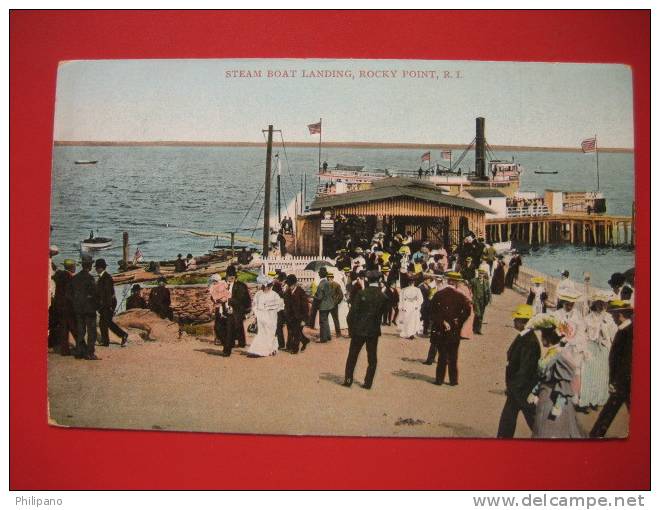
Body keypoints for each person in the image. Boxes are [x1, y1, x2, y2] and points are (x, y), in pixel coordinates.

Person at [527, 315, 583, 438]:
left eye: (542, 336)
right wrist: (535, 391)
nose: (541, 339)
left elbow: (563, 382)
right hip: (545, 395)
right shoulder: (552, 352)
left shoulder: (559, 355)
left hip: (554, 398)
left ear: (547, 338)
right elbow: (543, 377)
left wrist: (558, 404)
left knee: (552, 429)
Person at [590, 300, 633, 437]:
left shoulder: (624, 332)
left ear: (620, 315)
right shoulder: (630, 329)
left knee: (610, 410)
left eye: (614, 315)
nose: (613, 318)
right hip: (626, 380)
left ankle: (596, 435)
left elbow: (623, 361)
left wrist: (615, 381)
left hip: (622, 380)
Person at [496, 304, 540, 438]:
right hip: (518, 389)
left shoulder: (529, 342)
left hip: (521, 390)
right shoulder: (524, 336)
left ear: (524, 322)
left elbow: (525, 370)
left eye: (516, 319)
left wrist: (512, 388)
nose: (514, 321)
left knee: (533, 421)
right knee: (509, 420)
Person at [343, 271, 388, 389]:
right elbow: (384, 312)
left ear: (367, 280)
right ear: (379, 281)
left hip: (359, 329)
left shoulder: (361, 293)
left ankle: (348, 379)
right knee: (372, 357)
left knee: (352, 355)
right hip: (373, 330)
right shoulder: (383, 296)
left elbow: (351, 314)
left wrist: (351, 329)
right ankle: (368, 383)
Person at [426, 272, 471, 385]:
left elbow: (431, 312)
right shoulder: (460, 296)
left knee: (442, 355)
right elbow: (468, 311)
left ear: (447, 280)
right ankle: (453, 380)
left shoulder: (438, 294)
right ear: (456, 283)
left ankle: (439, 379)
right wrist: (459, 321)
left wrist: (441, 321)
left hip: (440, 330)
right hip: (454, 330)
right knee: (453, 356)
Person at [579, 294, 617, 410]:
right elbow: (582, 334)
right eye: (598, 303)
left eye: (602, 304)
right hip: (590, 346)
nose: (601, 306)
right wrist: (584, 349)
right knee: (588, 374)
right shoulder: (588, 318)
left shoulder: (608, 318)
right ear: (594, 304)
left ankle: (595, 401)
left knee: (601, 375)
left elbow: (614, 335)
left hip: (603, 348)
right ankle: (585, 401)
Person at [68, 255, 99, 360]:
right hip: (89, 310)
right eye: (91, 265)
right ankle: (90, 353)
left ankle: (79, 352)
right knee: (92, 332)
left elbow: (69, 294)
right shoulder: (90, 279)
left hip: (78, 309)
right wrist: (96, 306)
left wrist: (76, 303)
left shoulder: (75, 278)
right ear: (89, 265)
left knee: (80, 331)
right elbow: (96, 294)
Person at [95, 258, 128, 347]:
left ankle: (121, 336)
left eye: (97, 267)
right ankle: (108, 340)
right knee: (106, 322)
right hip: (106, 304)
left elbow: (108, 293)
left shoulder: (106, 277)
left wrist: (109, 307)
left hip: (108, 303)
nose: (96, 269)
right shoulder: (103, 277)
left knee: (105, 322)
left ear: (101, 268)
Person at [248, 277, 284, 357]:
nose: (268, 287)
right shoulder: (259, 294)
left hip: (271, 316)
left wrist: (271, 308)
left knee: (270, 333)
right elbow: (254, 304)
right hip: (261, 316)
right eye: (267, 286)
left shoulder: (274, 294)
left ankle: (272, 349)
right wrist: (255, 314)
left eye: (269, 286)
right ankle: (260, 350)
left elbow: (280, 305)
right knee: (262, 333)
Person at [51, 258, 78, 355]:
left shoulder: (59, 275)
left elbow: (54, 276)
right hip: (67, 307)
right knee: (74, 328)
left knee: (64, 329)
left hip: (58, 306)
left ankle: (65, 350)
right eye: (74, 267)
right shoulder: (70, 279)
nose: (75, 268)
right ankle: (81, 348)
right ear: (71, 268)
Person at [225, 264, 252, 355]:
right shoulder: (224, 285)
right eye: (229, 276)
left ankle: (229, 347)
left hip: (238, 309)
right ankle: (238, 342)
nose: (230, 278)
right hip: (227, 309)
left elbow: (241, 300)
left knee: (234, 326)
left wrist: (229, 300)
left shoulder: (240, 286)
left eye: (232, 276)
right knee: (233, 327)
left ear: (235, 277)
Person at [283, 274, 309, 354]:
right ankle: (304, 341)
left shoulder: (300, 292)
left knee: (296, 332)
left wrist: (304, 319)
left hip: (299, 316)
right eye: (288, 285)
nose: (290, 286)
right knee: (291, 332)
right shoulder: (287, 292)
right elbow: (286, 304)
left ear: (295, 284)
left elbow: (305, 307)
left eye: (291, 285)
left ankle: (295, 349)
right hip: (290, 316)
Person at [208, 273, 230, 347]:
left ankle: (224, 338)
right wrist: (216, 300)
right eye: (213, 281)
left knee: (224, 322)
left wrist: (223, 299)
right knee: (218, 324)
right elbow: (213, 297)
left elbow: (227, 295)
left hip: (223, 306)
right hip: (218, 306)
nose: (214, 282)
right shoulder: (212, 287)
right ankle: (218, 338)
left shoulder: (223, 285)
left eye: (215, 281)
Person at [314, 267, 335, 343]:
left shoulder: (321, 284)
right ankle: (328, 336)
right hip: (329, 304)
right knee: (326, 320)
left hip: (323, 305)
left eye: (319, 272)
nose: (318, 273)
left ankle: (323, 338)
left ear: (321, 274)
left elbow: (319, 297)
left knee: (322, 321)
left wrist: (314, 296)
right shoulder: (327, 282)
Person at [471, 268, 491, 335]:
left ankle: (479, 330)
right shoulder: (473, 281)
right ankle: (474, 329)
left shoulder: (486, 282)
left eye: (482, 274)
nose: (480, 275)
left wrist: (489, 299)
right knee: (477, 314)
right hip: (476, 300)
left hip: (483, 301)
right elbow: (469, 289)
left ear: (484, 275)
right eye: (479, 273)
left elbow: (489, 291)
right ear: (478, 274)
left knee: (481, 315)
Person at [271, 271, 287, 350]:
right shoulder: (277, 286)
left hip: (279, 309)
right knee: (278, 327)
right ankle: (280, 344)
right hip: (278, 309)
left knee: (278, 327)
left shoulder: (277, 285)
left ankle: (280, 344)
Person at [327, 272, 345, 336]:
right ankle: (329, 333)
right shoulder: (326, 285)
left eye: (331, 277)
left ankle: (338, 333)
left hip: (333, 305)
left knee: (335, 319)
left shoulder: (337, 285)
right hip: (328, 304)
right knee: (328, 319)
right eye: (329, 278)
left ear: (333, 278)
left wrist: (336, 302)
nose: (330, 279)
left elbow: (341, 296)